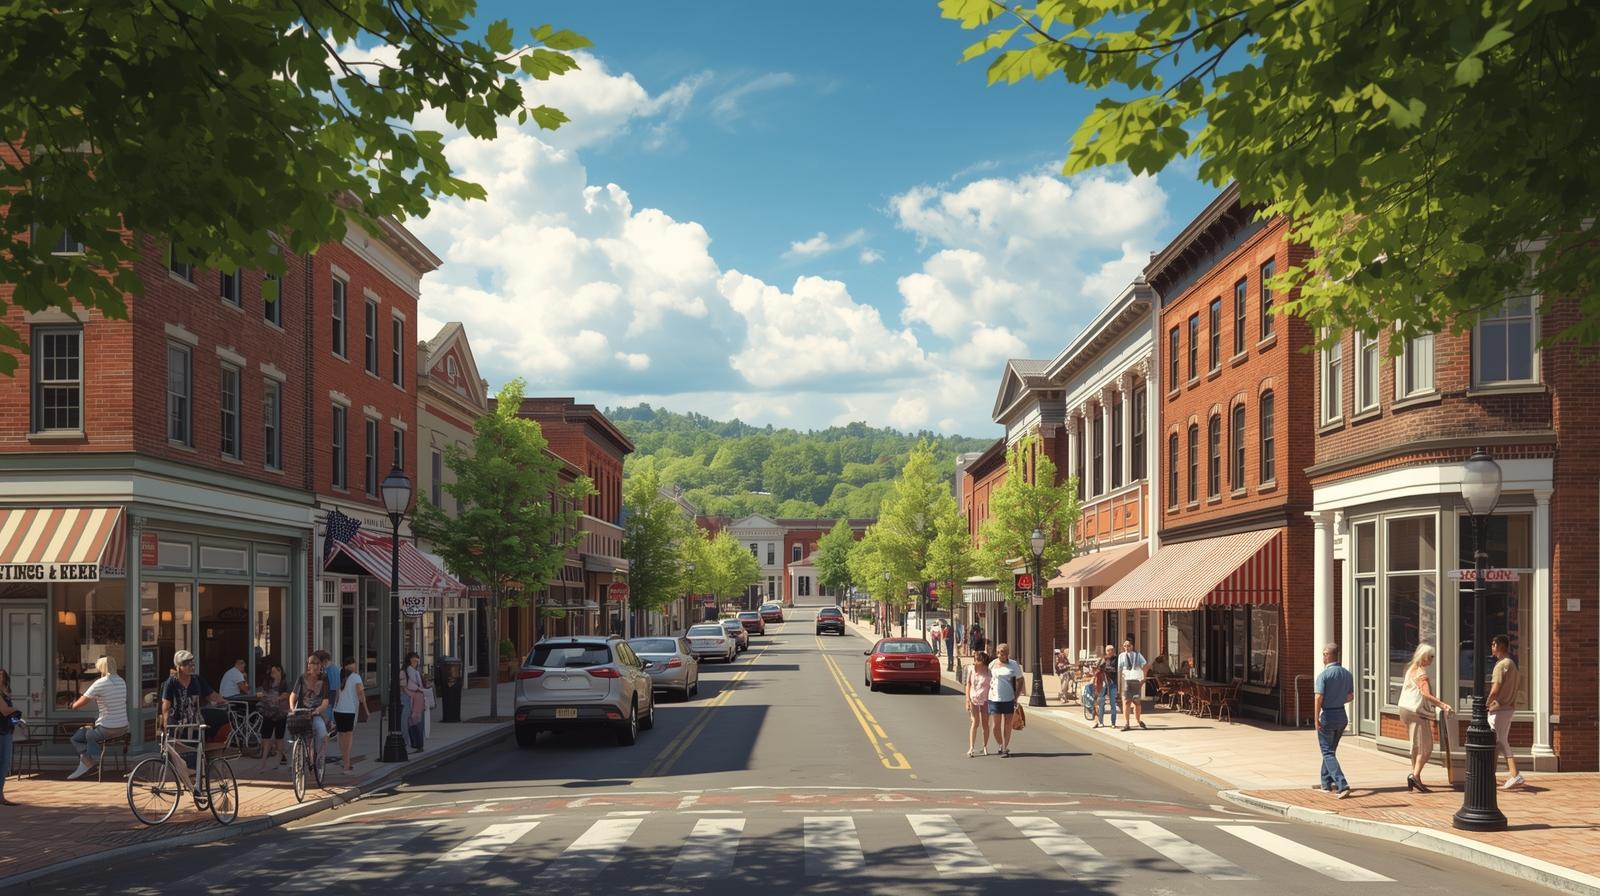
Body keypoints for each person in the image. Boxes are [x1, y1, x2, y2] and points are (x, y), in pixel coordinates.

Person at [1398, 643, 1453, 793]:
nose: (1432, 659)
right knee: (1426, 747)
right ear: (1424, 657)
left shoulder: (1411, 670)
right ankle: (1414, 776)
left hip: (1406, 710)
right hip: (1417, 713)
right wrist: (1443, 705)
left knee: (1416, 746)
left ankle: (1417, 778)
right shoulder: (1421, 673)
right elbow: (1426, 694)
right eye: (1431, 657)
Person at [67, 656, 129, 780]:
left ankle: (89, 760)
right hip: (123, 727)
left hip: (108, 728)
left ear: (101, 668)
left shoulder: (100, 683)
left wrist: (72, 705)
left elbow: (81, 703)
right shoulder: (121, 681)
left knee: (79, 737)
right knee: (88, 732)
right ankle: (89, 761)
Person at [1313, 642, 1355, 798]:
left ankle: (1342, 784)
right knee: (1330, 751)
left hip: (1328, 716)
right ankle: (1326, 783)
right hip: (1341, 715)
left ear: (1328, 655)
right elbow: (1350, 697)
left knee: (1327, 751)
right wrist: (1337, 700)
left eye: (1324, 653)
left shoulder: (1324, 675)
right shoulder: (1347, 674)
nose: (1323, 656)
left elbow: (1318, 697)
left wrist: (1316, 717)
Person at [1488, 634, 1524, 790]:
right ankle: (1491, 775)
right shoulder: (1513, 665)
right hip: (1508, 708)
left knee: (1501, 741)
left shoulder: (1501, 665)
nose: (1492, 647)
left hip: (1499, 709)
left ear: (1499, 646)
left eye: (1493, 644)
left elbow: (1495, 689)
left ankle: (1515, 775)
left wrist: (1486, 703)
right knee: (1497, 743)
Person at [288, 655, 331, 760]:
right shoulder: (302, 678)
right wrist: (293, 709)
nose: (315, 667)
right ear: (308, 666)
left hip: (315, 713)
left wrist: (318, 710)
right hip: (302, 713)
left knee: (322, 734)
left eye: (317, 664)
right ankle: (299, 759)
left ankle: (320, 758)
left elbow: (325, 701)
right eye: (312, 664)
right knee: (297, 732)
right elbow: (293, 695)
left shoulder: (324, 678)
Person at [987, 643, 1024, 758]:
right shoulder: (992, 664)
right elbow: (987, 678)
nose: (1000, 655)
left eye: (1003, 653)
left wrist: (1016, 696)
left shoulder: (1013, 664)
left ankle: (1004, 748)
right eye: (998, 653)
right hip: (994, 698)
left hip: (1008, 698)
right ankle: (1000, 744)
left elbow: (1020, 680)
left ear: (1007, 654)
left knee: (1007, 724)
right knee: (995, 726)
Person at [332, 657, 365, 774]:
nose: (355, 666)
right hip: (349, 710)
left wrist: (333, 709)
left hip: (338, 710)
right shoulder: (356, 677)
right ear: (351, 665)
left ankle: (344, 759)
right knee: (348, 737)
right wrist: (365, 709)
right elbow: (361, 695)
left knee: (341, 736)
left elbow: (336, 693)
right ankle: (347, 764)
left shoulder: (339, 674)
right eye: (354, 664)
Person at [257, 663, 289, 766]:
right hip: (268, 712)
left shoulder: (284, 683)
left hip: (280, 713)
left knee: (279, 738)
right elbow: (262, 693)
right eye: (272, 672)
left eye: (275, 672)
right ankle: (263, 760)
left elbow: (286, 695)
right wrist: (262, 696)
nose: (273, 674)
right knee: (266, 737)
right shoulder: (267, 682)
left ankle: (281, 757)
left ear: (280, 671)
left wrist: (277, 698)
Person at [314, 649, 341, 762]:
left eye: (317, 662)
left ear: (323, 661)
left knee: (324, 731)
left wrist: (333, 705)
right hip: (319, 703)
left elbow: (335, 689)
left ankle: (322, 755)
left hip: (327, 704)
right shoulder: (322, 670)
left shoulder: (332, 670)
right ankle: (317, 754)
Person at [1118, 638, 1149, 731]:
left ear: (1132, 646)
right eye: (1125, 646)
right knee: (1126, 702)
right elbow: (1120, 669)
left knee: (1137, 702)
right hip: (1127, 681)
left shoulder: (1138, 655)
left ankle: (1138, 720)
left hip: (1136, 680)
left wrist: (1144, 678)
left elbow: (1145, 666)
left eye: (1128, 646)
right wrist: (1120, 682)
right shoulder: (1121, 656)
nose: (1126, 648)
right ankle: (1127, 723)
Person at [966, 650, 993, 757]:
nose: (975, 661)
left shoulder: (988, 671)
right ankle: (971, 747)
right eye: (975, 659)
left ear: (982, 661)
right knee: (975, 722)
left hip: (986, 699)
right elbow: (968, 684)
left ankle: (985, 746)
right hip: (974, 698)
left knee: (985, 723)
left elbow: (993, 684)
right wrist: (967, 700)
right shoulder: (971, 670)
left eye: (977, 659)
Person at [401, 651, 427, 752]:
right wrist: (414, 692)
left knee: (418, 722)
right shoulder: (404, 672)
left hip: (418, 700)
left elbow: (420, 685)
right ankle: (410, 743)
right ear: (409, 661)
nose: (415, 663)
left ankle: (418, 744)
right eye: (413, 661)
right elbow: (403, 687)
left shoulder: (416, 673)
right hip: (408, 699)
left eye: (417, 661)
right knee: (408, 722)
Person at [0, 669, 17, 805]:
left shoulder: (6, 692)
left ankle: (1, 794)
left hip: (6, 730)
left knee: (4, 763)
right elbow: (5, 710)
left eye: (2, 675)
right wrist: (15, 710)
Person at [1093, 644, 1118, 728]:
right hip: (1103, 683)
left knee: (1113, 704)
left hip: (1112, 683)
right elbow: (1096, 668)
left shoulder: (1117, 659)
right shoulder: (1103, 659)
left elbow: (1115, 670)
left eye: (1111, 650)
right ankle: (1101, 722)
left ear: (1114, 651)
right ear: (1105, 651)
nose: (1110, 652)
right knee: (1101, 703)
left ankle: (1113, 722)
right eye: (1108, 650)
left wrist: (1106, 668)